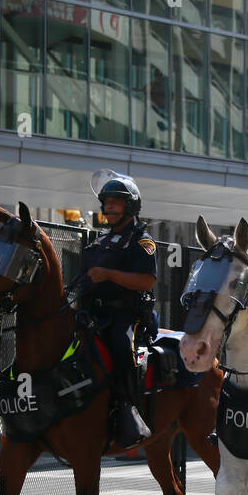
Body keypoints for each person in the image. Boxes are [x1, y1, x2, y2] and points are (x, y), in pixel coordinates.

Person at [76, 170, 156, 447]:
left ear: (130, 206)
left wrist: (108, 275)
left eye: (115, 202)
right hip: (91, 313)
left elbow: (147, 280)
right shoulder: (97, 242)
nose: (108, 207)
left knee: (122, 348)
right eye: (107, 202)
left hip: (126, 315)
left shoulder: (142, 242)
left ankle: (128, 409)